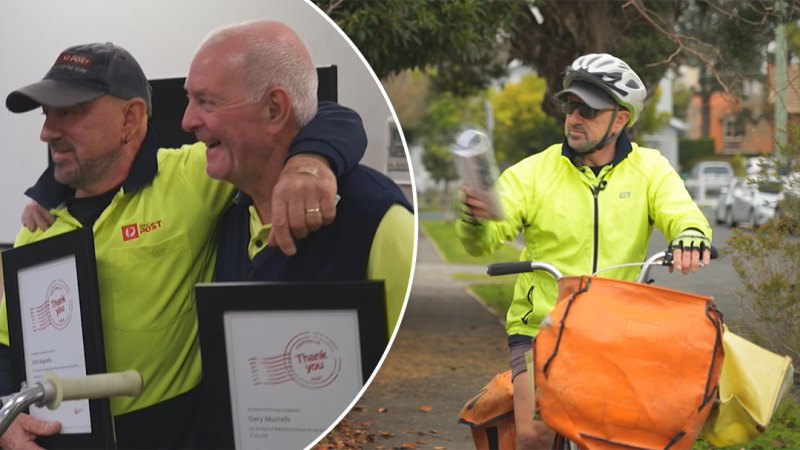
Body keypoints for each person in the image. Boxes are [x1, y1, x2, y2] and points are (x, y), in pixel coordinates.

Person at [0, 41, 367, 449]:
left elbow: (324, 119)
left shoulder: (191, 179)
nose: (46, 132)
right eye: (47, 115)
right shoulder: (37, 225)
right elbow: (4, 345)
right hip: (57, 438)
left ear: (130, 117)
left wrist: (309, 162)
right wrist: (5, 419)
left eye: (68, 113)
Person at [457, 53, 712, 448]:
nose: (574, 118)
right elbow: (484, 239)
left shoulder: (650, 169)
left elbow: (681, 212)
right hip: (541, 327)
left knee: (621, 437)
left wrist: (691, 236)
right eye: (571, 106)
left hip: (616, 331)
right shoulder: (532, 173)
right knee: (534, 433)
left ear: (621, 119)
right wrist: (475, 217)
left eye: (589, 110)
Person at [183, 20, 414, 336]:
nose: (187, 120)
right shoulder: (225, 207)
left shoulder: (383, 223)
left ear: (275, 109)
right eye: (189, 100)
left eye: (206, 102)